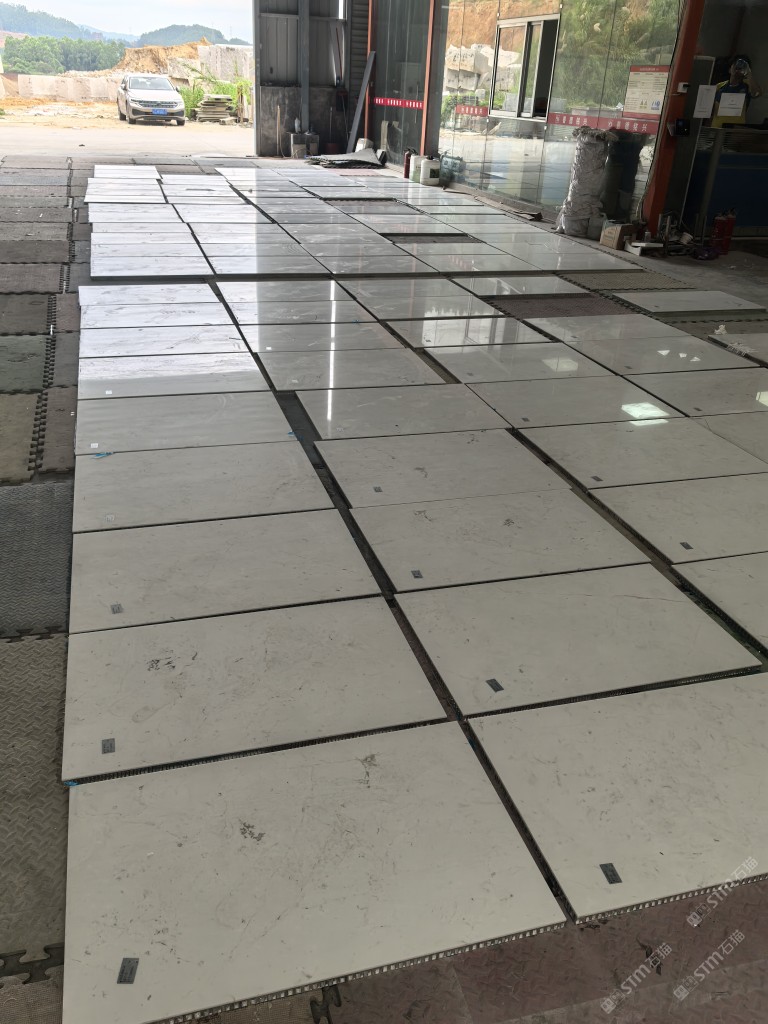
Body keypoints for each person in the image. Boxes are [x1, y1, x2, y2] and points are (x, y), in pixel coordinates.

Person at [711, 55, 762, 128]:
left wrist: (748, 73)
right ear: (729, 69)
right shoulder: (719, 86)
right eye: (735, 65)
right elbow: (711, 110)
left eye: (741, 67)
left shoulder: (747, 85)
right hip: (717, 127)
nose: (737, 68)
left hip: (735, 129)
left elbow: (757, 93)